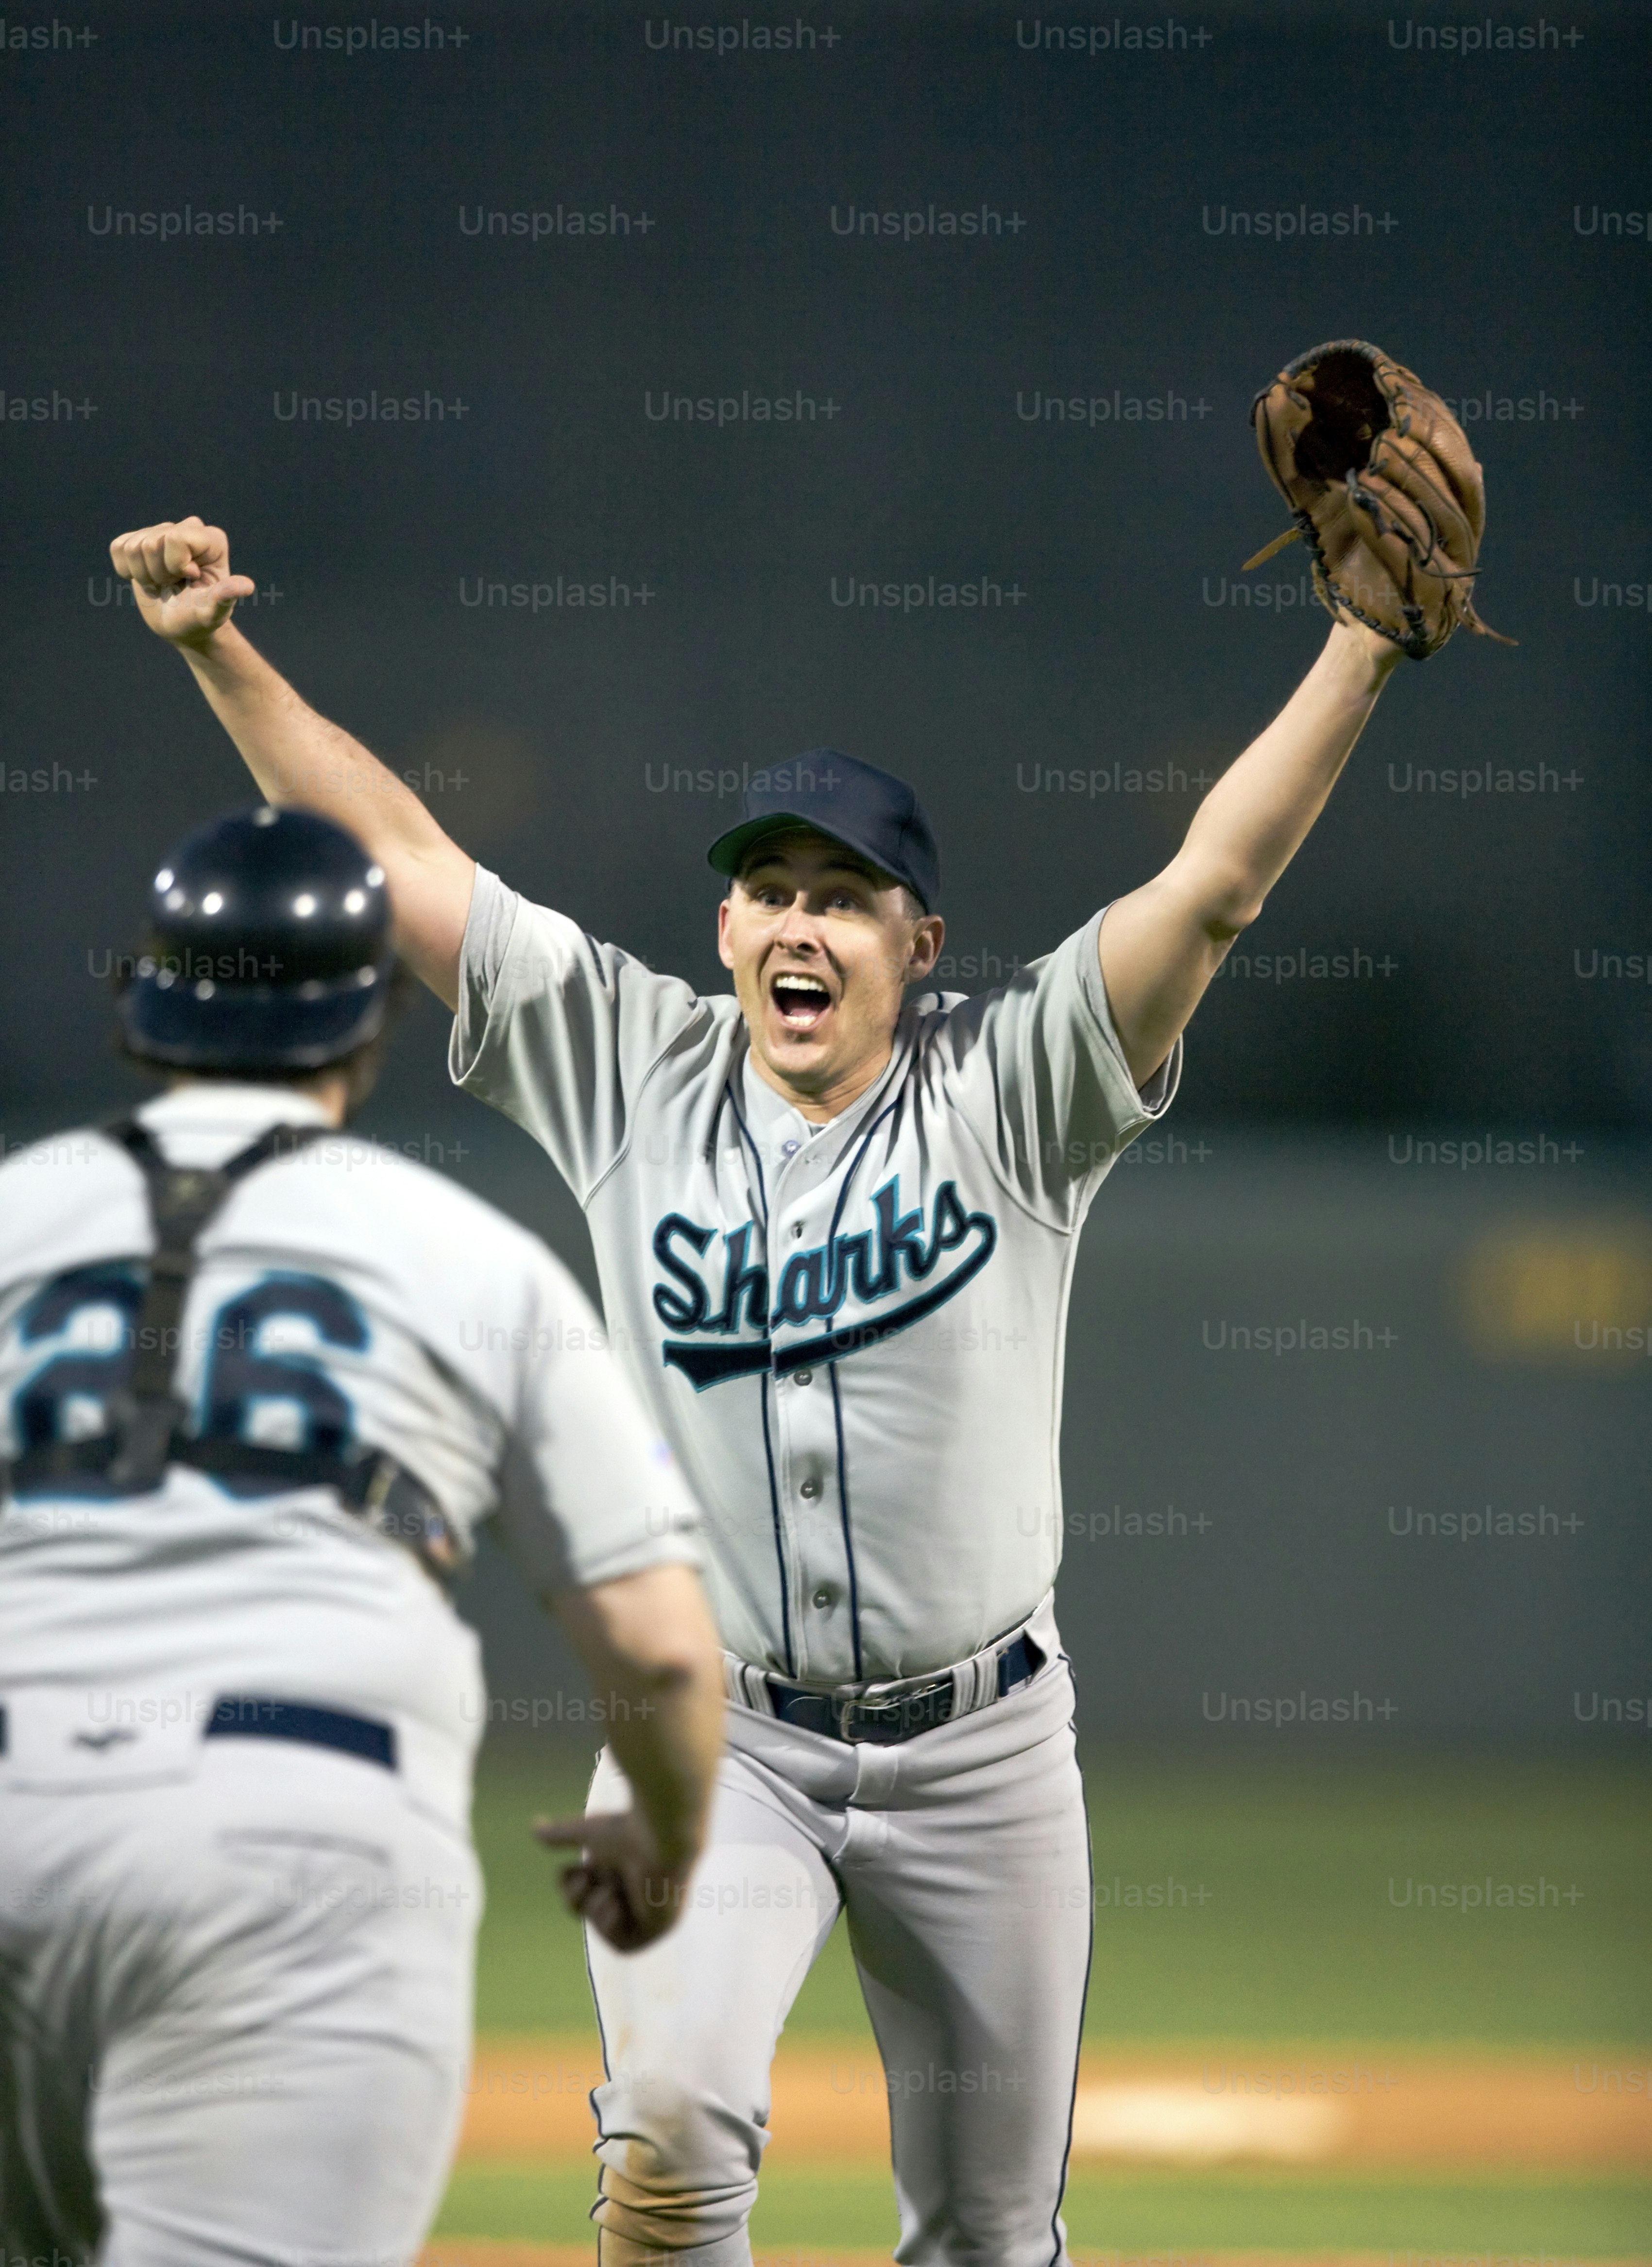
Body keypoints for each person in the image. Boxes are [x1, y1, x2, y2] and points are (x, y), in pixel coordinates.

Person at [111, 514, 1406, 2266]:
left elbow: (1214, 887)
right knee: (665, 2148)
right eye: (770, 890)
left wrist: (1360, 649)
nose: (800, 924)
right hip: (722, 1738)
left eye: (844, 896)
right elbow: (397, 853)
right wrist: (215, 650)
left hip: (987, 1757)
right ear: (724, 923)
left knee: (988, 2234)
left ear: (919, 938)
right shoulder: (629, 1063)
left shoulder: (1015, 1087)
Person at [0, 798, 725, 2267]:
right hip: (288, 1840)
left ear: (144, 994)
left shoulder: (12, 1211)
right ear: (371, 1016)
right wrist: (661, 1844)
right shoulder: (467, 1253)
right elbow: (659, 1649)